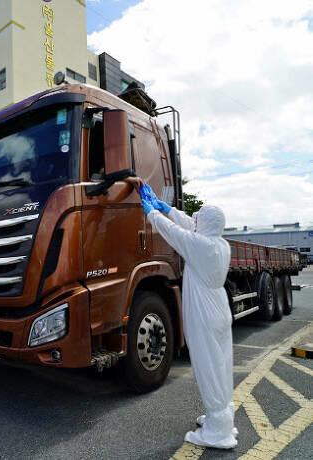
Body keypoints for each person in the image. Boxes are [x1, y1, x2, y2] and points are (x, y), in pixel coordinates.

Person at [133, 179, 237, 449]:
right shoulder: (220, 244)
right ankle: (222, 414)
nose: (194, 219)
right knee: (221, 365)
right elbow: (186, 224)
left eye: (199, 217)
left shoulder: (199, 246)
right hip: (219, 309)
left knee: (207, 367)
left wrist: (152, 212)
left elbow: (173, 231)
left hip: (205, 311)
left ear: (206, 224)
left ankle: (218, 432)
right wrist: (165, 206)